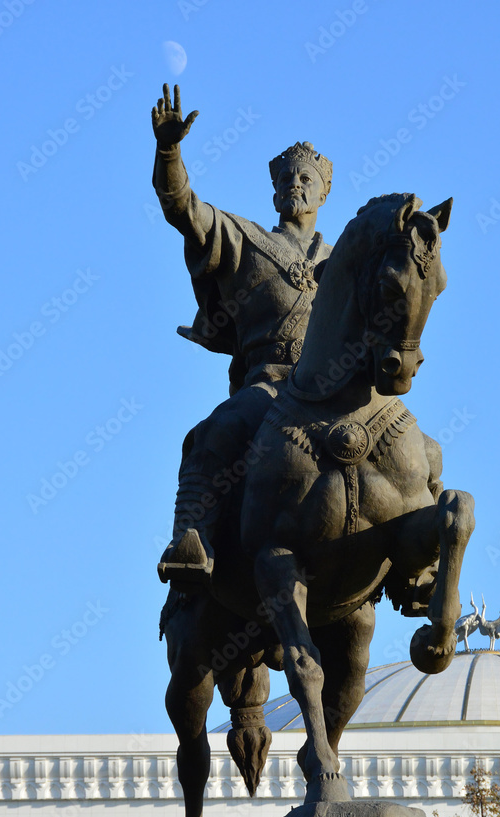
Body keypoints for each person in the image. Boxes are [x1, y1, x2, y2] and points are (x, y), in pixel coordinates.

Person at [152, 84, 333, 588]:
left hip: (337, 393)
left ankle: (419, 566)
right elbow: (183, 209)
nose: (296, 185)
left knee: (420, 452)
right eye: (287, 178)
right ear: (274, 191)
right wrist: (170, 152)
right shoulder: (245, 242)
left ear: (323, 193)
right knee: (214, 433)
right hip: (270, 387)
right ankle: (192, 536)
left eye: (306, 178)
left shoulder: (343, 263)